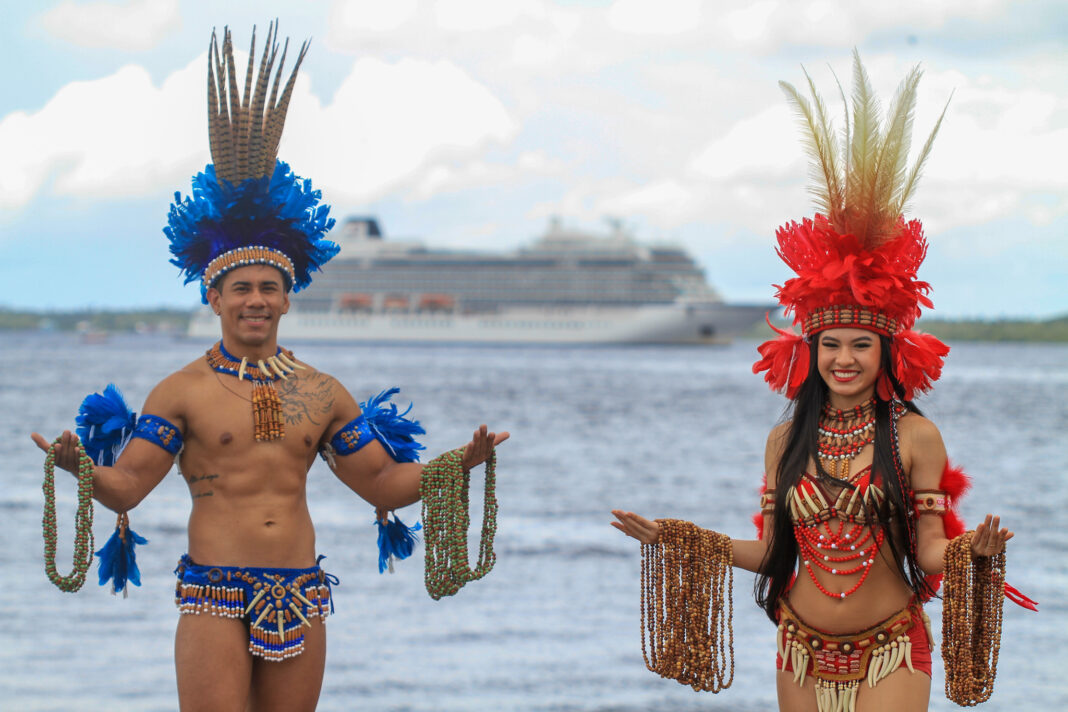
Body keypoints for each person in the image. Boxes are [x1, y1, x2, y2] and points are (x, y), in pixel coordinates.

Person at [32, 24, 507, 712]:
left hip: (303, 593)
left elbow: (381, 484)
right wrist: (79, 469)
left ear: (287, 298)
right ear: (214, 297)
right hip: (214, 594)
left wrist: (459, 463)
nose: (255, 299)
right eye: (241, 288)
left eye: (268, 288)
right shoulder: (182, 391)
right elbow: (128, 487)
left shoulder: (322, 392)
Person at [611, 53, 1025, 712]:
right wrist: (684, 541)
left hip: (892, 645)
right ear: (810, 352)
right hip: (798, 648)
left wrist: (973, 549)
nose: (844, 359)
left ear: (888, 353)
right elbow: (772, 553)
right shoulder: (785, 439)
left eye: (861, 345)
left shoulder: (916, 435)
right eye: (830, 344)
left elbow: (929, 551)